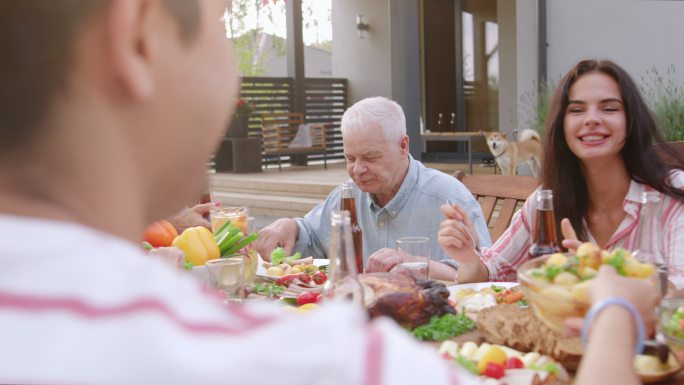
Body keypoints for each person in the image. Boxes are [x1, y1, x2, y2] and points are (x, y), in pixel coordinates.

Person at [0, 2, 661, 382]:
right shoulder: (290, 358)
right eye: (223, 24)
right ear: (137, 36)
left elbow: (483, 269)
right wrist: (614, 312)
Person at [439, 59, 684, 288]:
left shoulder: (673, 196)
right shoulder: (547, 201)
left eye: (609, 108)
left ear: (632, 121)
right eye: (577, 110)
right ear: (561, 126)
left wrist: (602, 273)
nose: (591, 119)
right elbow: (493, 271)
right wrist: (469, 258)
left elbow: (678, 296)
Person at [256, 97, 492, 281]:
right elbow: (311, 235)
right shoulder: (348, 195)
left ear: (403, 145)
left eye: (370, 157)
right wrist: (289, 225)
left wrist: (415, 263)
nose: (358, 170)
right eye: (350, 158)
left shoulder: (448, 198)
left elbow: (485, 275)